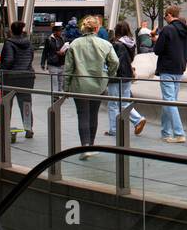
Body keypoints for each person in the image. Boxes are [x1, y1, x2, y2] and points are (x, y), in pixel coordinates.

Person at [63, 16, 117, 150]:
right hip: (98, 85)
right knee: (93, 114)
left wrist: (66, 87)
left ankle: (85, 146)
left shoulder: (75, 44)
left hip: (79, 85)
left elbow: (68, 68)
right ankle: (91, 144)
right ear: (97, 28)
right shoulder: (105, 44)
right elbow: (115, 61)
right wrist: (109, 75)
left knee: (82, 115)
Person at [154, 5, 187, 144]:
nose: (165, 18)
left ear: (169, 14)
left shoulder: (167, 29)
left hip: (167, 69)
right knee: (169, 101)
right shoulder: (186, 31)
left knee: (169, 101)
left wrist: (157, 41)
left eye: (165, 16)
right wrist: (182, 64)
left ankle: (179, 133)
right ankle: (165, 132)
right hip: (179, 70)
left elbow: (157, 50)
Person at [105, 21, 145, 138]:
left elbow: (113, 61)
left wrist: (109, 73)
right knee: (124, 102)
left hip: (116, 76)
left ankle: (114, 129)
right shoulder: (131, 43)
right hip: (127, 75)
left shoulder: (116, 44)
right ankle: (138, 119)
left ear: (117, 31)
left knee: (113, 103)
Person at [0, 21, 36, 138]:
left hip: (11, 77)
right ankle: (28, 129)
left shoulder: (9, 43)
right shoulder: (28, 43)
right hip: (27, 77)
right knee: (26, 104)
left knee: (7, 103)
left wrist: (1, 70)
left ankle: (5, 128)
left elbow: (8, 60)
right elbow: (31, 57)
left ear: (12, 31)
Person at [40, 21, 67, 94]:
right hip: (52, 63)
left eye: (61, 30)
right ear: (54, 31)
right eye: (59, 31)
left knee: (61, 82)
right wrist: (43, 63)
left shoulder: (62, 38)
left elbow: (65, 49)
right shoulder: (49, 39)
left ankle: (60, 95)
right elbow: (45, 52)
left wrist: (64, 52)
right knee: (54, 82)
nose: (61, 32)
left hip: (62, 63)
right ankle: (55, 97)